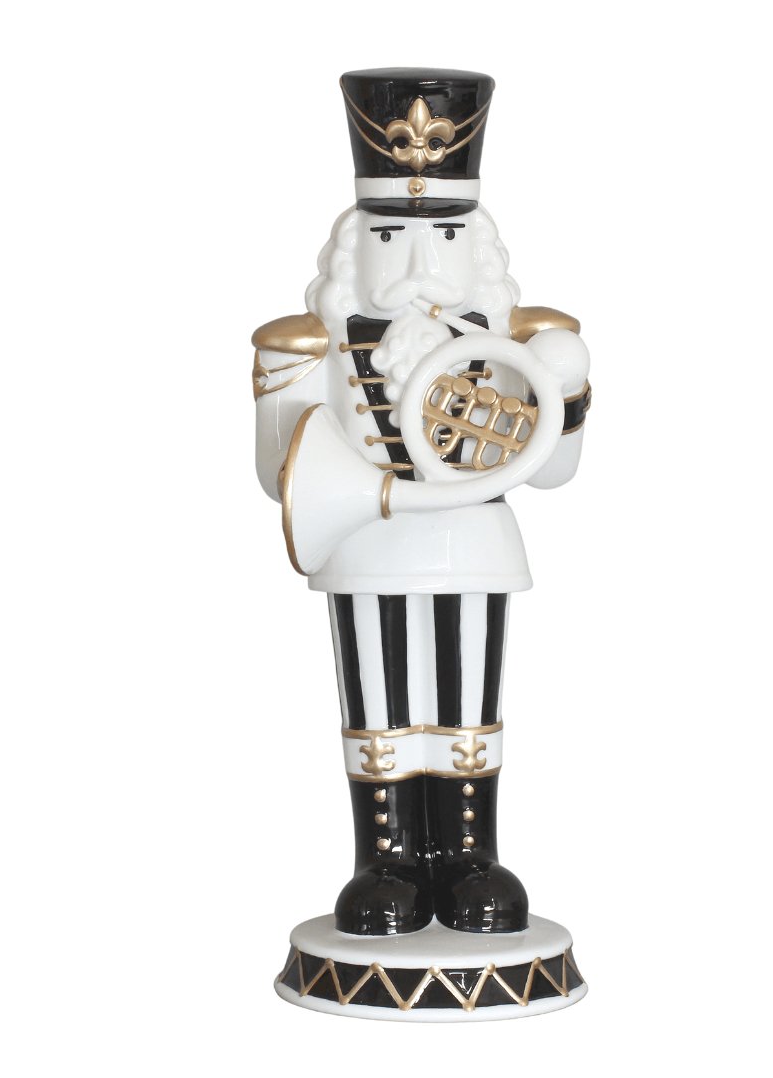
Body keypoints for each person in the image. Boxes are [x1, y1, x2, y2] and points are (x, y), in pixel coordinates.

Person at [253, 69, 591, 937]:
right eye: (389, 237)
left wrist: (567, 393)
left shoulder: (521, 342)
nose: (416, 267)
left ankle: (471, 854)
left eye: (443, 235)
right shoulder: (306, 345)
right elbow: (279, 473)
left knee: (468, 698)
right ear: (352, 247)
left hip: (475, 545)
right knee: (380, 701)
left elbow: (553, 471)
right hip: (363, 543)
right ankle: (385, 859)